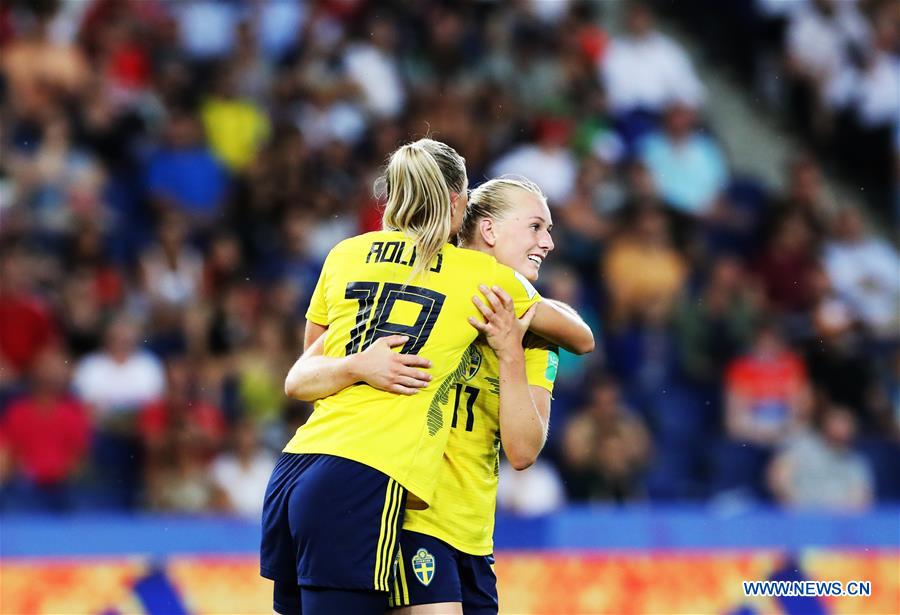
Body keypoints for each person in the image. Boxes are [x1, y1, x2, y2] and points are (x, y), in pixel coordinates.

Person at [261, 140, 590, 615]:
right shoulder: (473, 278)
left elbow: (522, 451)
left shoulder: (528, 334)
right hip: (399, 511)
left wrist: (510, 352)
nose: (548, 242)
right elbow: (584, 337)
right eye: (536, 226)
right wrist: (358, 368)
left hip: (465, 529)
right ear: (487, 226)